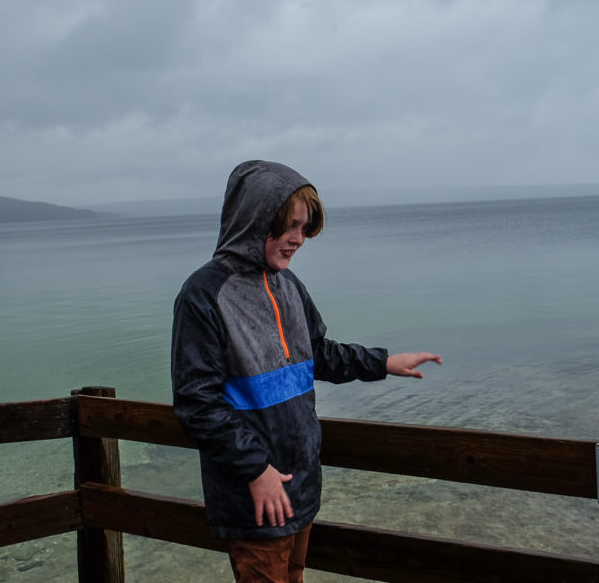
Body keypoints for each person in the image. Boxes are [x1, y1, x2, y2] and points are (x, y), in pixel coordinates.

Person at [171, 160, 441, 583]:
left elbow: (318, 354)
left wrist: (384, 363)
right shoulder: (204, 294)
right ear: (254, 220)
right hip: (254, 495)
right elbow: (196, 403)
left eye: (305, 228)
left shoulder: (288, 285)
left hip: (300, 483)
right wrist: (256, 470)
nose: (298, 239)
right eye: (289, 227)